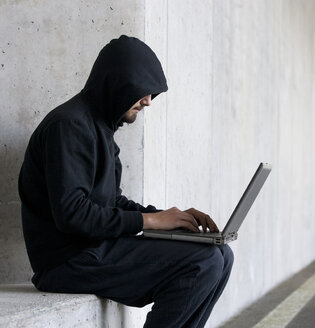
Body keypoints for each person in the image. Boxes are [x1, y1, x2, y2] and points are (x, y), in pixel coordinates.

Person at [18, 35, 233, 328]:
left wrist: (170, 218)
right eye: (142, 91)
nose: (147, 101)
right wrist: (151, 222)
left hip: (95, 249)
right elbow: (72, 214)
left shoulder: (99, 129)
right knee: (202, 262)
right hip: (66, 262)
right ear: (116, 83)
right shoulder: (68, 126)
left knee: (221, 254)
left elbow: (110, 202)